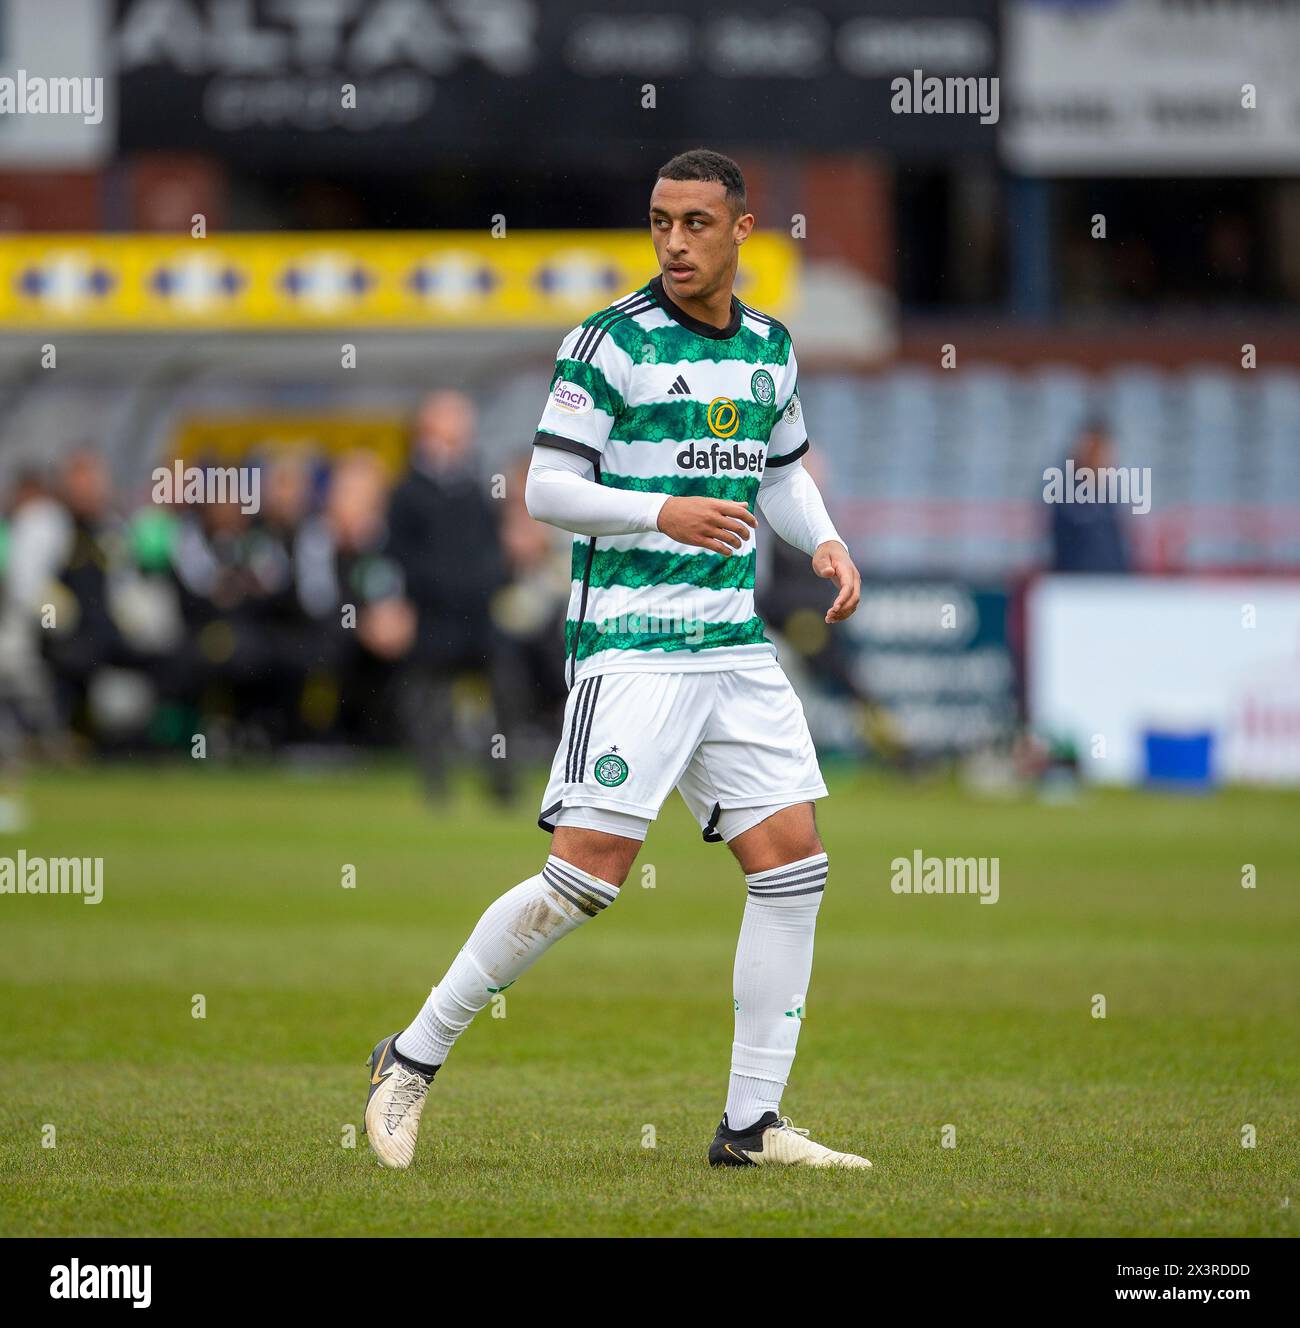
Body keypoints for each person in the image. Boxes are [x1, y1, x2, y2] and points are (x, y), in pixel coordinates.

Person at [365, 149, 870, 1171]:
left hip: (730, 645)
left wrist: (820, 535)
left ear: (740, 229)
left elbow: (778, 473)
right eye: (659, 222)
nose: (674, 241)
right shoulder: (607, 343)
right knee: (584, 879)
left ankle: (750, 1124)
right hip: (632, 644)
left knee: (792, 866)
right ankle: (409, 1054)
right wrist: (660, 511)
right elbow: (548, 490)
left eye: (694, 222)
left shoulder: (770, 346)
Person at [386, 392, 517, 802]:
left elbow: (493, 547)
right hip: (431, 617)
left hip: (478, 616)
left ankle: (501, 782)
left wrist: (492, 579)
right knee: (429, 706)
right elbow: (398, 555)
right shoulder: (406, 493)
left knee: (507, 692)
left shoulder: (474, 488)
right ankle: (436, 785)